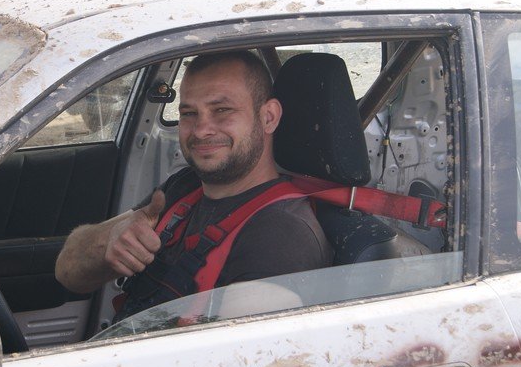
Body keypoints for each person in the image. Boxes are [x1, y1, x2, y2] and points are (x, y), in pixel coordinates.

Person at [55, 51, 332, 322]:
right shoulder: (184, 188)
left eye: (222, 110)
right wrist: (111, 240)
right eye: (189, 113)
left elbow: (240, 352)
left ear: (268, 117)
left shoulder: (279, 237)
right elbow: (67, 272)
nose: (200, 130)